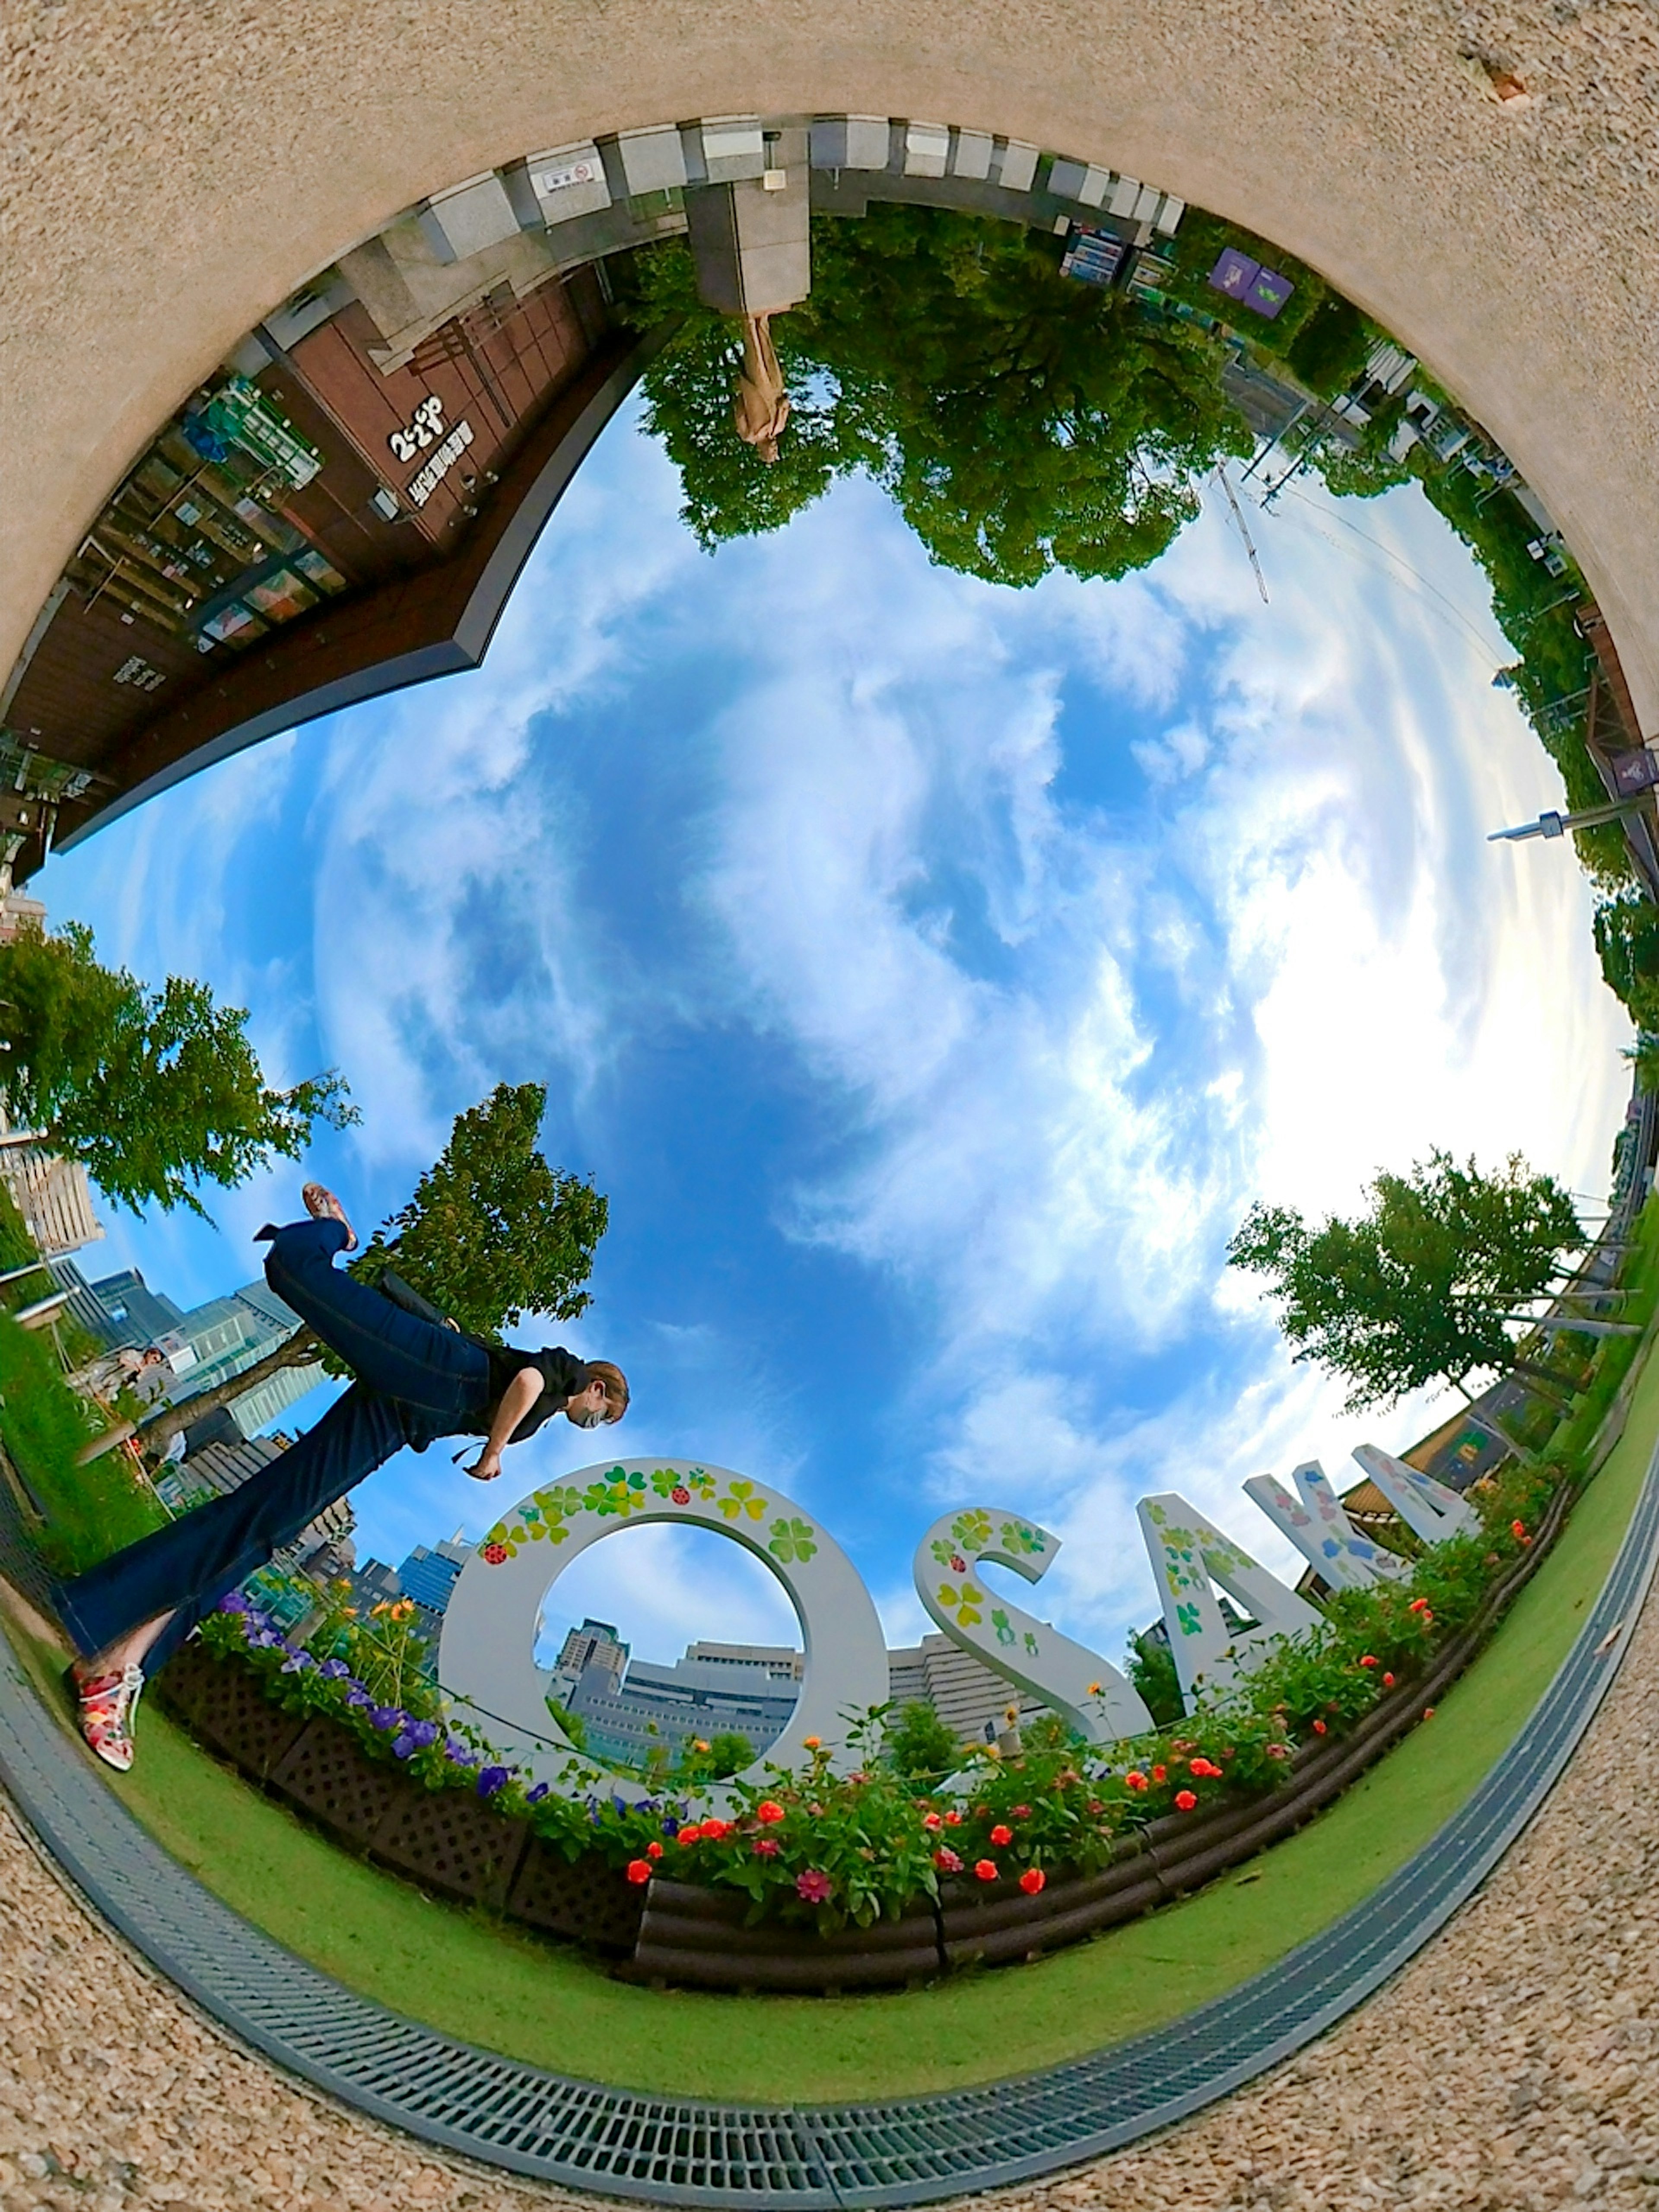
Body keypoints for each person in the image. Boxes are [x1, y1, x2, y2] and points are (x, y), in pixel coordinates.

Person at [52, 1183, 627, 1773]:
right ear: (600, 1392)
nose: (591, 1424)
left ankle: (120, 1657)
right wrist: (495, 1452)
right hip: (428, 1368)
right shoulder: (566, 1376)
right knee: (293, 1269)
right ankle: (337, 1233)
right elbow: (526, 1380)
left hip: (404, 1413)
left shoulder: (555, 1404)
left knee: (273, 1521)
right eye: (601, 1418)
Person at [733, 311, 790, 464]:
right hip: (775, 389)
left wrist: (743, 393)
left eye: (772, 452)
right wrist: (784, 405)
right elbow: (786, 406)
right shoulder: (779, 428)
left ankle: (750, 321)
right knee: (768, 353)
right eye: (776, 451)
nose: (775, 448)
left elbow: (740, 413)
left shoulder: (749, 435)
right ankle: (763, 319)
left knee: (755, 354)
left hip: (757, 391)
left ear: (761, 451)